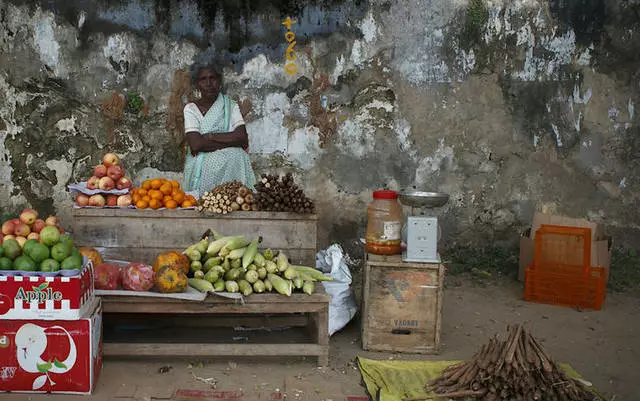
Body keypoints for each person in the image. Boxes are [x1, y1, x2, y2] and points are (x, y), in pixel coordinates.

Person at [182, 63, 256, 196]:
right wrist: (230, 140)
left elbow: (241, 137)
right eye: (203, 79)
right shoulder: (191, 109)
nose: (209, 83)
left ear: (219, 81)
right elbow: (196, 144)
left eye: (213, 78)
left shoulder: (230, 106)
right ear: (197, 84)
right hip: (201, 169)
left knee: (237, 154)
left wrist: (210, 137)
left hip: (232, 174)